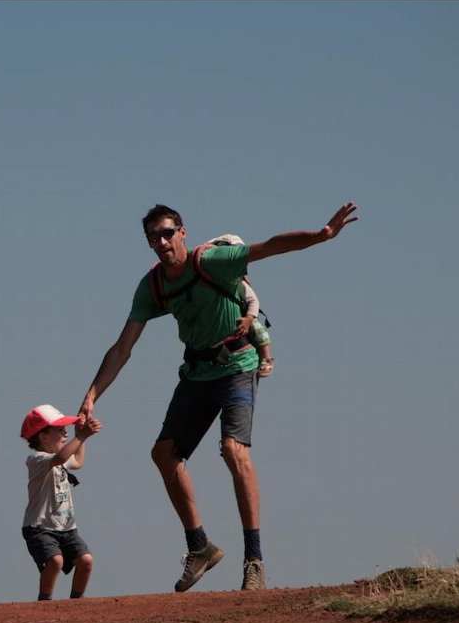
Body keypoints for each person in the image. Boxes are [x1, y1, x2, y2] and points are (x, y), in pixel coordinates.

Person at [78, 202, 358, 592]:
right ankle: (200, 547)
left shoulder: (210, 261)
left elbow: (269, 247)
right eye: (152, 237)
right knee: (164, 453)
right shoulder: (154, 286)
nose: (161, 242)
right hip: (197, 372)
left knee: (233, 449)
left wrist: (320, 236)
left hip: (237, 364)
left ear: (183, 232)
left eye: (166, 233)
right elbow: (123, 347)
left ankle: (254, 560)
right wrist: (92, 395)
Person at [20, 404, 103, 600]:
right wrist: (81, 436)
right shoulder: (37, 460)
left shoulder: (59, 458)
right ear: (43, 436)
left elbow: (78, 461)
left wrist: (80, 436)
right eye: (60, 430)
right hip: (39, 528)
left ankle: (75, 603)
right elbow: (61, 457)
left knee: (86, 561)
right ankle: (45, 602)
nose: (65, 433)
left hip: (66, 528)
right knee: (55, 561)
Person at [205, 235, 274, 378]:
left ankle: (267, 357)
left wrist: (249, 318)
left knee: (257, 329)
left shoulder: (237, 281)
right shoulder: (205, 278)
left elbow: (253, 301)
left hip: (243, 315)